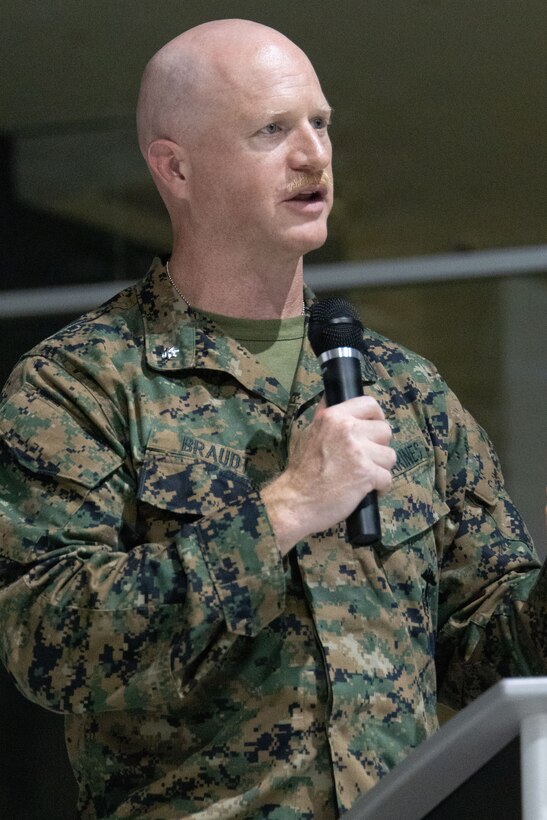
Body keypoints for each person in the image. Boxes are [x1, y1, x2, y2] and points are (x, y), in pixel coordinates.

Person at [0, 18, 545, 820]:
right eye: (270, 130)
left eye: (319, 124)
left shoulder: (407, 388)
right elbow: (51, 646)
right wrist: (285, 508)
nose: (313, 155)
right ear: (176, 167)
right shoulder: (78, 384)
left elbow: (480, 646)